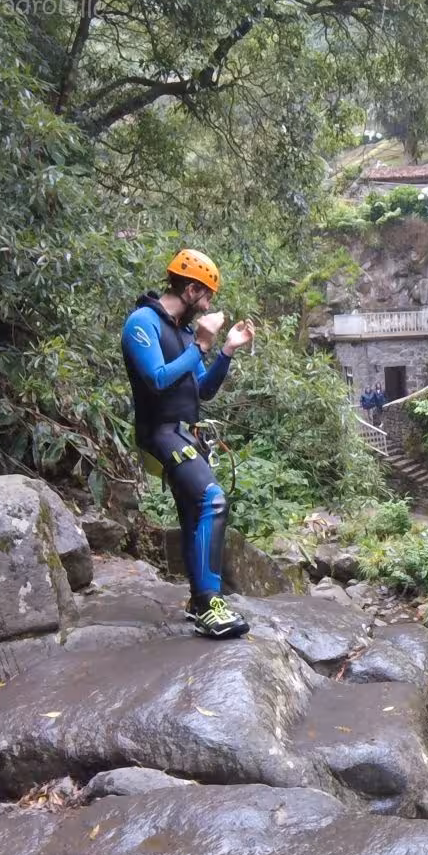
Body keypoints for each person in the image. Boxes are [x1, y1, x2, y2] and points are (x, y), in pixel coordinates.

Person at [122, 248, 256, 640]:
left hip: (185, 433)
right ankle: (210, 604)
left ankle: (200, 602)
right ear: (193, 289)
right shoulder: (142, 323)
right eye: (208, 295)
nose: (210, 304)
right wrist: (200, 344)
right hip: (159, 431)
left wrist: (226, 349)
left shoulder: (183, 333)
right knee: (212, 500)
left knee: (193, 512)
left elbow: (203, 390)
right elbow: (158, 380)